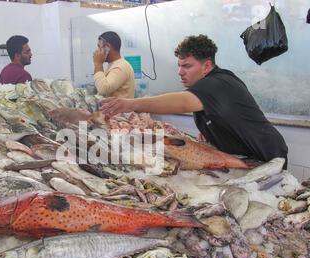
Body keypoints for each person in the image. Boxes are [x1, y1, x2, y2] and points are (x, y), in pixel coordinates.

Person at [100, 34, 288, 166]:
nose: (180, 72)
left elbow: (182, 102)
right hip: (242, 157)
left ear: (207, 66)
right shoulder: (209, 85)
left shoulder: (217, 83)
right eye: (179, 66)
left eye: (187, 66)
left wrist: (129, 104)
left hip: (266, 156)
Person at [93, 31, 135, 99]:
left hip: (122, 110)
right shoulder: (114, 64)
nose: (97, 51)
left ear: (107, 47)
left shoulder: (121, 66)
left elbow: (103, 89)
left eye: (99, 47)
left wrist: (98, 64)